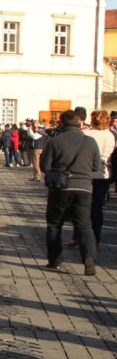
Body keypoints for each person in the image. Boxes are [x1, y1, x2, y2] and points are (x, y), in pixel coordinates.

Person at [40, 110, 102, 276]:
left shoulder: (55, 141)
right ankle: (89, 259)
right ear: (78, 122)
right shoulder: (90, 141)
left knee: (54, 224)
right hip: (84, 188)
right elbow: (96, 167)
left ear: (61, 123)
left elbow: (45, 167)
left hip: (60, 188)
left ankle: (55, 260)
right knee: (84, 225)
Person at [84, 110, 114, 248]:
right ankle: (95, 238)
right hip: (104, 174)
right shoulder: (111, 135)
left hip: (87, 173)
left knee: (84, 207)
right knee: (97, 208)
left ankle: (83, 236)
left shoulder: (88, 134)